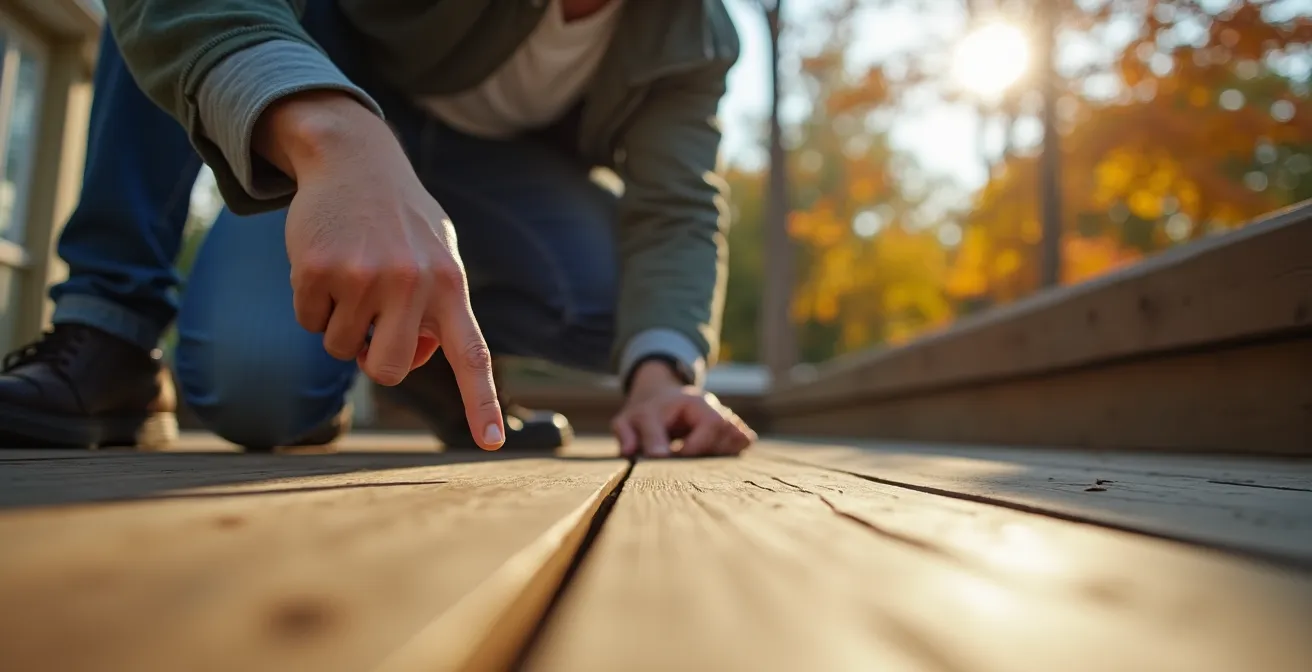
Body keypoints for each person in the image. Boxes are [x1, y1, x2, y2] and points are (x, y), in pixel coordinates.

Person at [0, 0, 756, 458]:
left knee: (629, 308)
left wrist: (662, 379)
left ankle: (424, 349)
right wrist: (334, 136)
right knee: (256, 390)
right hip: (322, 110)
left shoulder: (698, 33)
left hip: (490, 181)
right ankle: (113, 329)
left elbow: (677, 205)